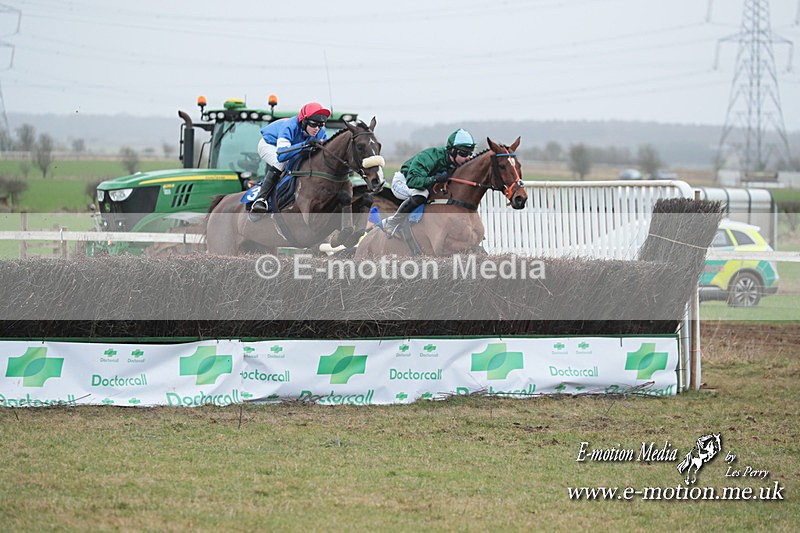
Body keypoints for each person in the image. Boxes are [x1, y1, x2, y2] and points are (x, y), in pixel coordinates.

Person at [382, 128, 476, 236]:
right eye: (463, 153)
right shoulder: (430, 157)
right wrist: (434, 179)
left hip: (424, 184)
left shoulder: (457, 163)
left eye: (470, 154)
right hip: (404, 181)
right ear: (453, 151)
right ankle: (392, 223)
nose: (468, 158)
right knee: (422, 194)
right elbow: (413, 181)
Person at [250, 102, 331, 214]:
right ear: (304, 121)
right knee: (282, 163)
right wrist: (304, 145)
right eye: (313, 124)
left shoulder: (320, 132)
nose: (317, 129)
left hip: (289, 147)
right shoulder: (289, 126)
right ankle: (261, 199)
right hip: (269, 144)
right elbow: (282, 155)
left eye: (320, 125)